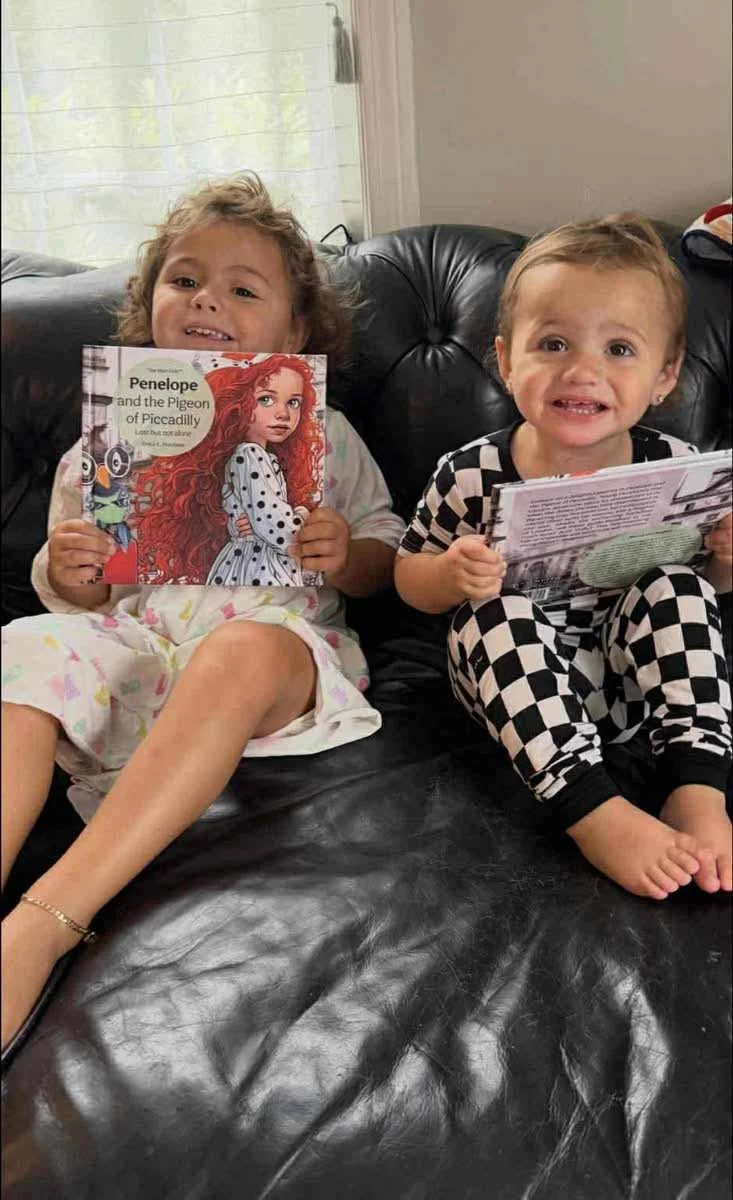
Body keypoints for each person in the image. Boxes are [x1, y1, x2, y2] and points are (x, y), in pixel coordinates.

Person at [1, 172, 406, 1053]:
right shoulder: (107, 437)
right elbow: (82, 584)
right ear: (147, 302)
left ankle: (48, 917)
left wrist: (349, 551)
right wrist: (72, 571)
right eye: (183, 280)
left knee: (241, 650)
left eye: (242, 289)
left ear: (295, 332)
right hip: (140, 650)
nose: (205, 300)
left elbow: (386, 556)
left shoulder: (318, 428)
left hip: (273, 659)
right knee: (23, 646)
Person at [395, 213, 732, 902]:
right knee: (488, 614)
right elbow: (407, 579)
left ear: (664, 376)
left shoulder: (675, 466)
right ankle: (592, 810)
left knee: (675, 585)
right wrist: (447, 573)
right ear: (503, 359)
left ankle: (696, 787)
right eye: (552, 343)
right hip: (521, 700)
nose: (582, 371)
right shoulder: (469, 472)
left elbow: (708, 591)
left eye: (618, 349)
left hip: (633, 685)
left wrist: (727, 559)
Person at [132, 356, 323, 587]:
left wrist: (237, 523)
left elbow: (244, 509)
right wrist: (303, 515)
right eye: (266, 399)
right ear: (239, 406)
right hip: (262, 569)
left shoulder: (256, 455)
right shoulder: (250, 455)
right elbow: (279, 530)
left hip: (251, 562)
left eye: (294, 403)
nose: (283, 413)